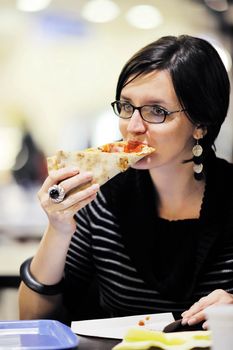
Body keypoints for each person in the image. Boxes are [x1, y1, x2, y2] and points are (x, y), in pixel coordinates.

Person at [19, 34, 233, 330]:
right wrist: (57, 228)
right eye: (126, 106)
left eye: (157, 111)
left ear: (200, 124)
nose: (132, 127)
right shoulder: (101, 196)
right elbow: (33, 321)